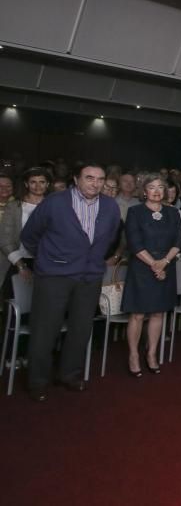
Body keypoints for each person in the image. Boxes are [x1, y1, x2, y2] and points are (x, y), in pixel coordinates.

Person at [20, 163, 121, 401]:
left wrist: (94, 258)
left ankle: (69, 374)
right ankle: (37, 381)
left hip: (89, 277)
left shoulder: (110, 205)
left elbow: (111, 238)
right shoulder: (55, 202)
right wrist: (50, 258)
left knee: (81, 328)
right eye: (89, 178)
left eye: (100, 179)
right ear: (76, 179)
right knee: (46, 329)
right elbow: (30, 236)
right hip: (54, 276)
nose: (95, 183)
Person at [122, 173, 181, 376]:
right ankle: (133, 355)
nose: (157, 191)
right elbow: (134, 243)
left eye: (160, 187)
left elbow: (179, 240)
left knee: (158, 313)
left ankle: (151, 354)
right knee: (138, 314)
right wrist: (154, 265)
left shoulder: (173, 213)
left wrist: (164, 263)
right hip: (142, 268)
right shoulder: (135, 212)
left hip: (166, 266)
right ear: (144, 191)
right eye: (152, 187)